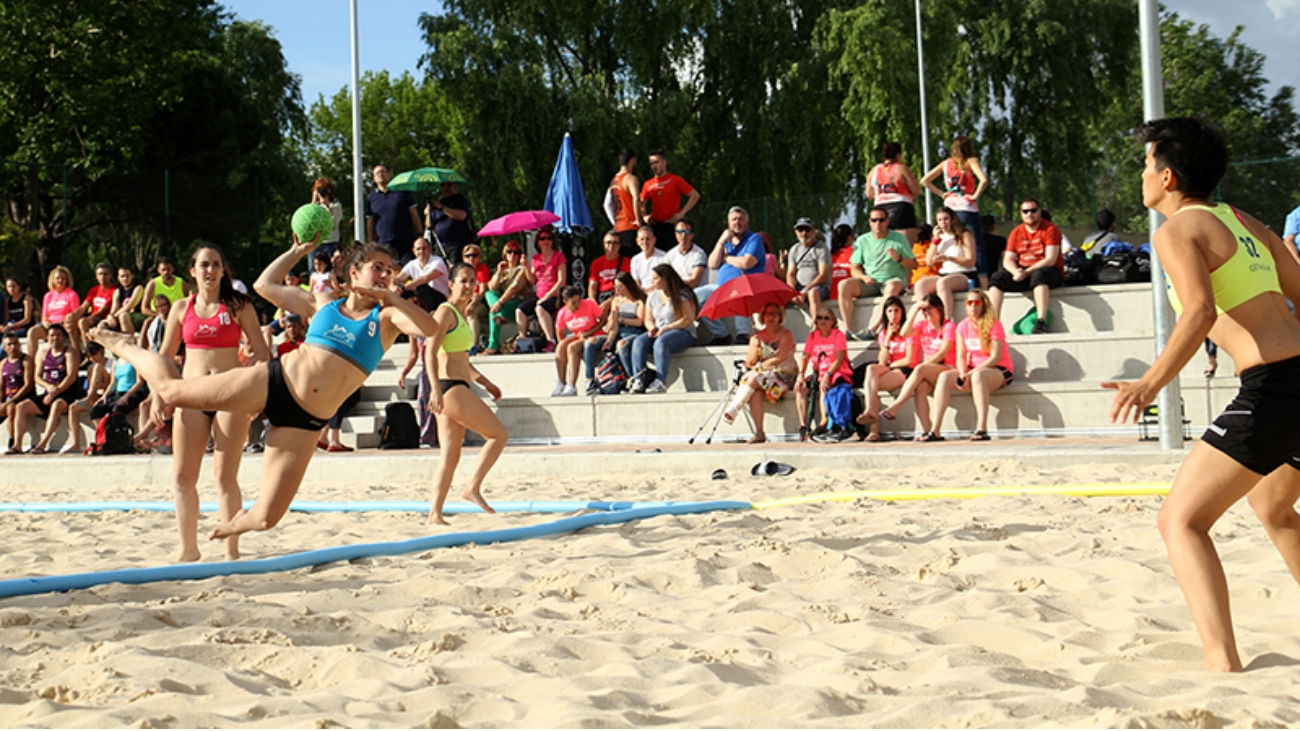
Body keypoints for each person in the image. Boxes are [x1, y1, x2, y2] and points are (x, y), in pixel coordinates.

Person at [1104, 117, 1300, 673]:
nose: (1142, 175)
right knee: (1273, 506)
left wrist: (1149, 383)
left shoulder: (1178, 231)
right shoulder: (1245, 221)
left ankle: (1222, 662)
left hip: (1276, 387)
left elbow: (1199, 312)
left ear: (1167, 177)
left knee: (1180, 521)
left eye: (1146, 165)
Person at [91, 236, 438, 541]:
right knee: (170, 391)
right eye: (377, 268)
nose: (384, 275)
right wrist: (297, 251)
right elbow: (264, 284)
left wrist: (390, 298)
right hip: (274, 382)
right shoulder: (323, 302)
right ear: (354, 273)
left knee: (265, 519)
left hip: (305, 421)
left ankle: (230, 529)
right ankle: (124, 345)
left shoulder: (387, 318)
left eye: (389, 270)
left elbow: (430, 329)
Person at [156, 244, 270, 561]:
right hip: (191, 394)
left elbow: (262, 353)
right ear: (192, 271)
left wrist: (255, 393)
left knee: (225, 477)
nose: (210, 270)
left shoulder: (237, 305)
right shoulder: (181, 308)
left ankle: (232, 552)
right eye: (204, 264)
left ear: (223, 270)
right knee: (183, 477)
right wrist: (159, 394)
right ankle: (188, 550)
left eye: (216, 264)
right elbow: (164, 357)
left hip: (229, 394)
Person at [423, 263, 508, 525]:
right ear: (451, 284)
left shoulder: (460, 315)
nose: (469, 286)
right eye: (463, 281)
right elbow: (429, 351)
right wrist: (434, 389)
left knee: (450, 455)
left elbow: (463, 361)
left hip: (455, 385)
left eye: (472, 281)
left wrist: (487, 383)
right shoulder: (445, 311)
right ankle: (472, 487)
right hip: (449, 388)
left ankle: (434, 514)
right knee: (498, 435)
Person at [924, 288, 1011, 442]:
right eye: (970, 303)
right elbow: (961, 356)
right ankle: (935, 430)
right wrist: (963, 372)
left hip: (998, 369)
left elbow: (995, 358)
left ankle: (982, 428)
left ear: (983, 304)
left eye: (977, 302)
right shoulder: (963, 326)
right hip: (973, 369)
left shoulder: (994, 324)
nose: (973, 306)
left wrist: (970, 373)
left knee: (978, 376)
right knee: (944, 376)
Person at [872, 294, 957, 439]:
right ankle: (929, 431)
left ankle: (896, 406)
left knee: (919, 369)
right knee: (920, 389)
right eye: (924, 310)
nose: (926, 312)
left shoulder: (949, 326)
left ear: (939, 309)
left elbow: (942, 353)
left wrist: (923, 366)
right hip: (929, 370)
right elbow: (904, 333)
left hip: (948, 368)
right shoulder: (923, 325)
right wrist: (916, 309)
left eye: (930, 308)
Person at [722, 302, 796, 444]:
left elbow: (779, 357)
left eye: (775, 314)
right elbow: (750, 361)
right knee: (755, 392)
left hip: (784, 376)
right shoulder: (757, 337)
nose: (771, 317)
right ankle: (759, 432)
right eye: (768, 314)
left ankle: (735, 407)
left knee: (752, 379)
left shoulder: (786, 335)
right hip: (763, 377)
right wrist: (755, 342)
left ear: (780, 316)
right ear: (762, 317)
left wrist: (759, 367)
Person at [837, 206, 914, 340]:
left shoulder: (899, 238)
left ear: (887, 221)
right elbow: (854, 268)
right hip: (871, 282)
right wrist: (863, 277)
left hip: (893, 280)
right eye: (874, 220)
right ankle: (848, 331)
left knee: (892, 287)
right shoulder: (862, 240)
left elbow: (914, 264)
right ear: (870, 222)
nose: (878, 223)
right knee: (843, 285)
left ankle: (873, 329)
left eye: (881, 220)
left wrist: (899, 259)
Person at [988, 197, 1064, 333]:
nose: (1029, 214)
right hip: (1023, 273)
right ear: (1021, 213)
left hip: (1048, 272)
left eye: (1033, 210)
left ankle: (1041, 322)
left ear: (1039, 211)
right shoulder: (1016, 232)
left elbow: (1050, 259)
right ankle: (994, 324)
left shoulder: (1051, 229)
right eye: (1025, 211)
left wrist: (1027, 272)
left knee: (1039, 275)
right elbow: (1008, 259)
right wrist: (1015, 272)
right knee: (997, 278)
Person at [921, 135, 989, 276]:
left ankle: (955, 272)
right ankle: (982, 280)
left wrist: (941, 193)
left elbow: (924, 180)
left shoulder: (946, 164)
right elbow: (984, 180)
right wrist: (975, 196)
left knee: (953, 241)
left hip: (950, 208)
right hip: (966, 208)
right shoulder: (970, 161)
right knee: (976, 246)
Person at [700, 207, 765, 344]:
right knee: (696, 296)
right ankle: (722, 334)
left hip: (748, 285)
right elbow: (712, 264)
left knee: (739, 289)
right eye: (734, 219)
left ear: (747, 222)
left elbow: (747, 263)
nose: (737, 222)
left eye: (741, 219)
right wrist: (720, 242)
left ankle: (743, 334)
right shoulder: (725, 242)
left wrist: (726, 259)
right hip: (722, 287)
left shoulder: (754, 238)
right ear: (729, 223)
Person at [628, 264, 697, 393]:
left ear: (665, 279)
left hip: (682, 331)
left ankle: (660, 381)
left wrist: (667, 328)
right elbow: (648, 319)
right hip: (660, 331)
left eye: (655, 278)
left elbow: (688, 319)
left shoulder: (682, 294)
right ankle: (639, 379)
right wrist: (651, 328)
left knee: (661, 341)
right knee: (639, 342)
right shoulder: (653, 296)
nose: (652, 281)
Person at [12, 323, 81, 454]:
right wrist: (48, 387)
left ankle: (42, 444)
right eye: (52, 335)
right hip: (50, 391)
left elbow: (71, 376)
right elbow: (37, 376)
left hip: (67, 392)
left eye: (58, 335)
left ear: (63, 337)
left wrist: (56, 391)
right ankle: (17, 445)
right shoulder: (43, 353)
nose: (55, 338)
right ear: (47, 337)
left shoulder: (70, 352)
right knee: (21, 407)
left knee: (56, 405)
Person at [857, 296, 917, 442]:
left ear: (902, 312)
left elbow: (909, 360)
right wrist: (888, 337)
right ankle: (871, 412)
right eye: (890, 311)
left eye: (896, 311)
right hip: (889, 367)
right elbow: (882, 361)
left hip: (904, 370)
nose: (893, 315)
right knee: (871, 369)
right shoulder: (884, 333)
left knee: (872, 385)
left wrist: (890, 366)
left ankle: (873, 429)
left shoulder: (909, 331)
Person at [795, 306, 853, 442]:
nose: (823, 321)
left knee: (824, 386)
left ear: (833, 321)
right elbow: (805, 357)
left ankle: (824, 422)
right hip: (818, 373)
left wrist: (827, 375)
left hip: (836, 372)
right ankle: (803, 425)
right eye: (819, 318)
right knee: (800, 388)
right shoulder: (812, 336)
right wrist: (800, 375)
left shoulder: (838, 335)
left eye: (826, 318)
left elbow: (839, 359)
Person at [913, 207, 977, 318]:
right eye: (940, 220)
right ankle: (926, 319)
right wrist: (935, 241)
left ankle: (946, 320)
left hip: (964, 274)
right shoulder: (940, 238)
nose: (943, 223)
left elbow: (971, 261)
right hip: (945, 274)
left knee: (942, 283)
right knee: (921, 285)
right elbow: (929, 262)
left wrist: (949, 258)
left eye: (946, 219)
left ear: (952, 219)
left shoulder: (965, 234)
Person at [640, 149, 700, 251]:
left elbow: (695, 196)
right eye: (651, 163)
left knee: (674, 255)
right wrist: (644, 216)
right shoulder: (648, 184)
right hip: (655, 226)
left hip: (672, 225)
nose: (654, 166)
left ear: (664, 163)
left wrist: (682, 213)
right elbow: (641, 203)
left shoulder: (676, 180)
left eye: (656, 162)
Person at [517, 228, 567, 350]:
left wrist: (546, 297)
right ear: (538, 242)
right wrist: (526, 266)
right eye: (542, 238)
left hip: (555, 296)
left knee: (540, 308)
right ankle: (522, 340)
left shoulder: (559, 257)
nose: (546, 241)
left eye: (549, 238)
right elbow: (533, 280)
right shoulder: (536, 258)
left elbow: (561, 281)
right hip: (540, 296)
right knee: (520, 310)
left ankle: (551, 341)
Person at [551, 285, 605, 397]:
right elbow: (559, 332)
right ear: (565, 302)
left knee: (572, 347)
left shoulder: (589, 304)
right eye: (573, 303)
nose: (577, 305)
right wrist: (563, 349)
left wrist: (589, 332)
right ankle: (561, 382)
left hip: (593, 334)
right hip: (578, 336)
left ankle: (572, 385)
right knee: (561, 346)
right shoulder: (562, 312)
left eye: (578, 301)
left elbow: (603, 319)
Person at [865, 142, 923, 243]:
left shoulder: (874, 170)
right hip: (901, 208)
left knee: (884, 246)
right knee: (905, 247)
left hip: (880, 209)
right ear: (899, 155)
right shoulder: (901, 168)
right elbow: (916, 190)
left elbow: (869, 194)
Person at [64, 341, 112, 454]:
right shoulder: (91, 367)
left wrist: (99, 387)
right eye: (89, 357)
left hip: (108, 396)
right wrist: (93, 395)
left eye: (94, 355)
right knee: (72, 408)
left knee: (98, 367)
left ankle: (89, 398)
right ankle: (76, 443)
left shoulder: (111, 363)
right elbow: (92, 386)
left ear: (101, 351)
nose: (92, 359)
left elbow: (111, 384)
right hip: (95, 397)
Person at [483, 241, 528, 355]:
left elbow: (515, 287)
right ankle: (500, 314)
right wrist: (499, 272)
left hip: (517, 303)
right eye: (509, 252)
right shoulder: (504, 270)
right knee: (489, 294)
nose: (513, 255)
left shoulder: (522, 269)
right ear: (505, 254)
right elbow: (492, 287)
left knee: (493, 311)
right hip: (502, 305)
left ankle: (493, 346)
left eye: (516, 252)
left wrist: (499, 302)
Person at [605, 272, 650, 387]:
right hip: (620, 332)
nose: (617, 290)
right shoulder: (616, 301)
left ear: (628, 285)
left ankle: (633, 378)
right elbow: (614, 323)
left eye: (620, 287)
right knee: (595, 343)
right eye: (615, 287)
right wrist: (610, 339)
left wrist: (621, 319)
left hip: (636, 332)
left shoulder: (639, 300)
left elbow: (639, 321)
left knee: (621, 345)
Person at [25, 266, 80, 358]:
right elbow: (44, 316)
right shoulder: (48, 296)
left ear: (67, 280)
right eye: (58, 278)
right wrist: (47, 324)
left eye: (63, 278)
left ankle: (77, 355)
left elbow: (76, 314)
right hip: (49, 324)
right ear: (53, 280)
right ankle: (31, 361)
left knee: (68, 327)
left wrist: (64, 322)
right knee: (32, 332)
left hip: (64, 325)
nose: (60, 280)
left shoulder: (72, 294)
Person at [365, 163, 423, 247]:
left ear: (389, 175)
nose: (380, 174)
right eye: (377, 173)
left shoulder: (403, 192)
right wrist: (370, 242)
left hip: (405, 240)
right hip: (383, 243)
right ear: (374, 179)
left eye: (382, 171)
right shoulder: (371, 198)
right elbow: (370, 221)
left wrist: (420, 234)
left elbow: (414, 213)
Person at [786, 218, 832, 321]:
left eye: (807, 230)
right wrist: (793, 292)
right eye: (800, 230)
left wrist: (806, 290)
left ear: (813, 231)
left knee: (813, 293)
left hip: (818, 287)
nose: (804, 233)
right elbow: (790, 273)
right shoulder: (794, 249)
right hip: (799, 288)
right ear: (796, 232)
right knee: (778, 298)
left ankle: (816, 326)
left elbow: (823, 275)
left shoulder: (822, 248)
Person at [392, 237, 449, 311]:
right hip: (422, 298)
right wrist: (393, 286)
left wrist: (404, 287)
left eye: (424, 248)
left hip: (441, 299)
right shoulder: (412, 264)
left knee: (421, 287)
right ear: (414, 251)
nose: (421, 251)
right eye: (418, 249)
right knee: (401, 291)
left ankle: (432, 312)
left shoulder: (438, 261)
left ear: (430, 249)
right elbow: (399, 278)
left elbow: (426, 278)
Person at [424, 180, 473, 265]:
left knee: (455, 269)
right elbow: (429, 226)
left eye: (449, 185)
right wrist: (428, 214)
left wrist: (442, 208)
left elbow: (462, 215)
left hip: (457, 244)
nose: (446, 188)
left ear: (454, 185)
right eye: (443, 185)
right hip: (440, 245)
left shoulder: (461, 199)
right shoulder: (440, 202)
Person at [2, 332, 34, 454]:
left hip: (24, 396)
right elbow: (1, 387)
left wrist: (8, 402)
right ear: (4, 348)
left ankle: (13, 442)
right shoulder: (3, 363)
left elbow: (28, 385)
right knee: (7, 406)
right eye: (9, 344)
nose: (13, 347)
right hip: (9, 397)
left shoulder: (26, 360)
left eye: (15, 343)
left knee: (11, 408)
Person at [72, 262, 117, 347]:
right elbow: (83, 307)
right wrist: (73, 316)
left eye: (105, 274)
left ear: (110, 275)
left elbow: (103, 310)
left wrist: (88, 319)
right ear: (96, 276)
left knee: (82, 322)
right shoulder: (94, 290)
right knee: (71, 323)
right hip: (93, 318)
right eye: (100, 274)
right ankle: (78, 351)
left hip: (104, 319)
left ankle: (89, 350)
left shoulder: (114, 290)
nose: (102, 277)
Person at [609, 148, 643, 257]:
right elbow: (636, 198)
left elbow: (607, 204)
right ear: (632, 160)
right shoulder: (630, 179)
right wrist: (638, 220)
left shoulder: (614, 180)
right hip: (630, 226)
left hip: (618, 227)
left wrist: (614, 222)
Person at [588, 230, 630, 318]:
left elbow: (627, 287)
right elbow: (592, 286)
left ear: (619, 245)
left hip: (618, 297)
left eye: (615, 243)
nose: (611, 246)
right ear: (604, 244)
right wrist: (594, 303)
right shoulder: (596, 263)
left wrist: (609, 302)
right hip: (601, 297)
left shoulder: (627, 262)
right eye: (608, 242)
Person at [461, 243, 492, 353]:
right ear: (463, 258)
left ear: (479, 257)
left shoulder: (482, 269)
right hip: (464, 301)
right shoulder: (461, 271)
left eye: (474, 255)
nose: (471, 258)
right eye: (468, 256)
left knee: (471, 312)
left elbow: (482, 292)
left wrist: (472, 303)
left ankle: (474, 345)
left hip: (479, 303)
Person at [664, 218, 707, 289]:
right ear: (675, 234)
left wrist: (674, 285)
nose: (683, 235)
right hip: (675, 291)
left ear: (692, 235)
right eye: (680, 231)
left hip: (695, 292)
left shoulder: (699, 254)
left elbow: (695, 281)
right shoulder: (670, 255)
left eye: (687, 232)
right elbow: (665, 276)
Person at [311, 177, 345, 260]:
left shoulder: (336, 205)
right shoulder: (314, 207)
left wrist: (327, 206)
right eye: (320, 189)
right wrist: (314, 200)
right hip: (315, 243)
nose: (323, 192)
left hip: (331, 243)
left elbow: (334, 224)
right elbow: (309, 221)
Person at [106, 265, 145, 334]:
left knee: (123, 316)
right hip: (121, 316)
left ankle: (129, 339)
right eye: (122, 276)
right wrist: (110, 316)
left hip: (138, 316)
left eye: (127, 276)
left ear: (132, 276)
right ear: (118, 278)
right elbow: (114, 309)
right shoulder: (117, 291)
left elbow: (129, 306)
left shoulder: (138, 288)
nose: (125, 279)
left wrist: (114, 316)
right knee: (101, 324)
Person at [630, 226, 668, 291]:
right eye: (642, 239)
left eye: (647, 239)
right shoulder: (635, 259)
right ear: (637, 241)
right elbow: (636, 281)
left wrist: (647, 292)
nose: (645, 242)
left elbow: (664, 281)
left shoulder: (664, 257)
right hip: (641, 292)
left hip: (658, 291)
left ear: (654, 240)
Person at [980, 215, 1007, 284]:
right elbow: (1005, 260)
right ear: (995, 227)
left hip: (978, 276)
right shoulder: (1000, 241)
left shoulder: (976, 241)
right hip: (993, 276)